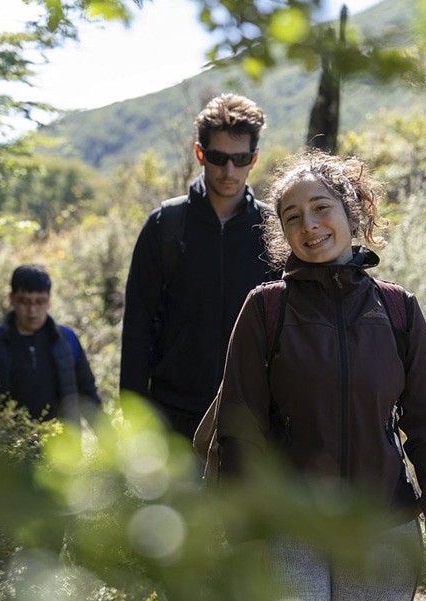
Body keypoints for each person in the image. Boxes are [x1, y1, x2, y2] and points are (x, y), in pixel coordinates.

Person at [205, 150, 426, 599]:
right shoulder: (265, 308)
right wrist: (244, 537)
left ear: (351, 211)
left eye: (321, 208)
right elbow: (239, 433)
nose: (309, 225)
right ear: (283, 232)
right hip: (289, 531)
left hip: (384, 528)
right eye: (293, 217)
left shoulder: (398, 309)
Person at [120, 93, 277, 440]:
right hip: (173, 418)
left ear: (254, 158)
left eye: (241, 159)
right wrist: (134, 419)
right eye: (218, 158)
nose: (229, 171)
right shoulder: (164, 226)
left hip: (252, 420)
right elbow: (137, 329)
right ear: (200, 154)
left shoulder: (272, 230)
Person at [0, 264, 101, 424]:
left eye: (40, 301)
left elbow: (88, 395)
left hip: (61, 438)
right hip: (4, 438)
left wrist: (109, 437)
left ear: (49, 300)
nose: (32, 310)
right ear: (11, 299)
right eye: (24, 301)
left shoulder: (67, 340)